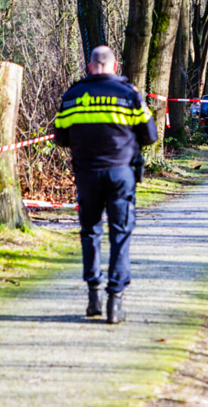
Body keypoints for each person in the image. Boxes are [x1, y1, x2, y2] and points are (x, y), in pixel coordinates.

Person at [54, 46, 157, 324]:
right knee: (120, 233)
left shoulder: (72, 96)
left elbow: (60, 138)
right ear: (115, 66)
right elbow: (150, 135)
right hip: (121, 173)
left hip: (87, 175)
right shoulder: (129, 94)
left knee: (90, 233)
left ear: (90, 67)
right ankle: (115, 302)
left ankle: (92, 298)